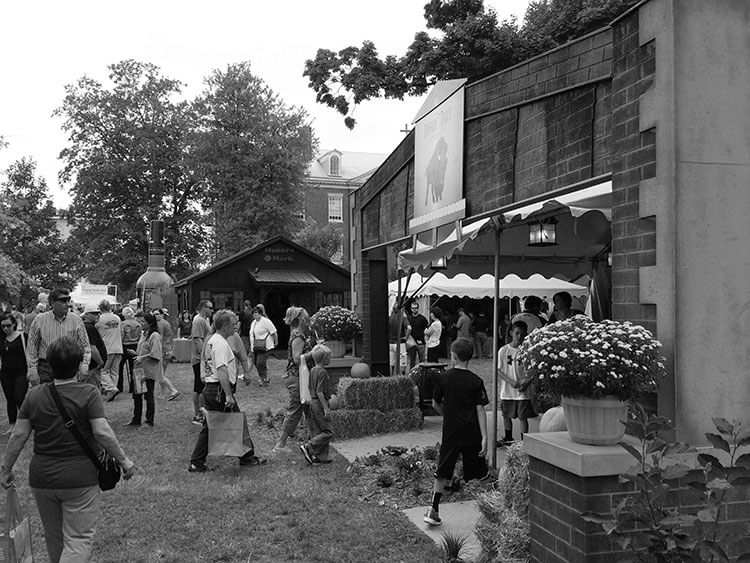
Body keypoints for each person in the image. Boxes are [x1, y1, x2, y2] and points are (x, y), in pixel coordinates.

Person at [0, 336, 136, 562]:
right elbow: (101, 432)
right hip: (80, 478)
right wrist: (124, 461)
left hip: (43, 477)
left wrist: (6, 468)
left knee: (55, 540)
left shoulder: (34, 395)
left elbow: (19, 434)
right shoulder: (88, 393)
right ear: (80, 363)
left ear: (50, 364)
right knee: (79, 539)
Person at [189, 309, 265, 472]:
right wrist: (228, 395)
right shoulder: (221, 344)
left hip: (211, 389)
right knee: (234, 422)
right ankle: (246, 458)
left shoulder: (212, 340)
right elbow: (222, 370)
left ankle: (197, 462)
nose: (235, 327)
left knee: (212, 426)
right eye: (232, 324)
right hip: (219, 390)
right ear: (224, 325)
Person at [424, 337, 489, 527]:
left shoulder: (444, 377)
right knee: (479, 473)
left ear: (453, 356)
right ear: (470, 357)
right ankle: (492, 510)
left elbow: (436, 403)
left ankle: (433, 509)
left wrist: (447, 415)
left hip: (451, 433)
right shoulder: (476, 381)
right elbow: (480, 409)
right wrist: (485, 437)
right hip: (472, 434)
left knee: (442, 471)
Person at [26, 288, 91, 385]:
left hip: (70, 366)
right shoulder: (40, 320)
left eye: (68, 300)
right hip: (46, 367)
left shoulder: (76, 320)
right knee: (47, 398)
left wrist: (84, 365)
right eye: (63, 301)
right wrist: (32, 370)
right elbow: (32, 346)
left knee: (67, 397)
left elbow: (85, 345)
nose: (67, 304)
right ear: (52, 303)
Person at [272, 306, 311, 453]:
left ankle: (311, 438)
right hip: (297, 377)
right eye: (306, 317)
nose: (308, 319)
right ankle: (280, 444)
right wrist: (314, 352)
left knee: (308, 408)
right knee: (295, 410)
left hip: (295, 376)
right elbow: (296, 359)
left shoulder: (296, 334)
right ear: (300, 319)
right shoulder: (298, 336)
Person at [497, 321, 536, 446]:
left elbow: (532, 370)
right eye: (517, 333)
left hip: (522, 391)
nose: (519, 337)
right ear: (511, 333)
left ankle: (524, 441)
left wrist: (526, 382)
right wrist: (511, 381)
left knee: (522, 416)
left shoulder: (528, 351)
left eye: (522, 334)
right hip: (507, 390)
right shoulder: (503, 351)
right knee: (506, 414)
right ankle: (508, 437)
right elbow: (498, 370)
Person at [299, 344, 333, 465]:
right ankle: (309, 446)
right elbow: (319, 392)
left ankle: (320, 457)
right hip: (319, 403)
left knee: (318, 431)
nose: (330, 359)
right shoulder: (322, 372)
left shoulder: (312, 370)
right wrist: (326, 408)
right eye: (329, 357)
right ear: (324, 359)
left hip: (312, 403)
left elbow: (309, 387)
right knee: (328, 431)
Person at [127, 312, 161, 427]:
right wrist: (136, 354)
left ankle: (149, 421)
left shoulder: (154, 335)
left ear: (150, 323)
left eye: (143, 322)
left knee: (148, 396)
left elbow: (155, 353)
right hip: (139, 370)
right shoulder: (144, 334)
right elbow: (144, 351)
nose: (140, 324)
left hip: (148, 371)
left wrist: (142, 357)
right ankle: (136, 419)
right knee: (137, 396)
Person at [0, 312, 28, 434]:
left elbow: (29, 353)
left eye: (8, 325)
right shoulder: (2, 339)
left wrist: (31, 370)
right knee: (10, 399)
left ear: (14, 324)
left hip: (21, 372)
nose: (6, 328)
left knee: (19, 397)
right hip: (6, 373)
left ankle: (25, 422)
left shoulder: (23, 336)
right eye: (3, 326)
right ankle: (12, 424)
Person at [190, 300, 213, 425]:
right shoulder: (199, 320)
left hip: (201, 359)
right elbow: (197, 340)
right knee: (200, 388)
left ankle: (200, 413)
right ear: (203, 308)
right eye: (210, 307)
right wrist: (205, 357)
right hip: (200, 360)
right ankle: (198, 415)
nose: (212, 310)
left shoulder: (204, 320)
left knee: (200, 387)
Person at [97, 300, 123, 399]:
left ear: (100, 308)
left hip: (107, 348)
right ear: (110, 307)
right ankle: (112, 390)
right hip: (118, 347)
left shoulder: (99, 319)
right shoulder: (117, 318)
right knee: (114, 372)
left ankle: (111, 388)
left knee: (102, 370)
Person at [81, 303, 108, 395]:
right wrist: (100, 362)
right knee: (93, 393)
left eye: (99, 313)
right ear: (87, 315)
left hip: (91, 367)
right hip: (92, 367)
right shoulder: (89, 328)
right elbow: (92, 348)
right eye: (95, 313)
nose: (98, 316)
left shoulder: (88, 327)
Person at [153, 308, 180, 401]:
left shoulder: (160, 324)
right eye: (154, 314)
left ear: (161, 314)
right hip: (167, 349)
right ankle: (162, 393)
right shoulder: (166, 323)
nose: (155, 316)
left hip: (163, 350)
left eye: (157, 314)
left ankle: (173, 390)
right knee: (161, 373)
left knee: (159, 374)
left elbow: (159, 338)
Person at [249, 305, 278, 386]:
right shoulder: (253, 323)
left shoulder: (266, 321)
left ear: (260, 313)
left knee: (260, 362)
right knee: (256, 362)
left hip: (266, 346)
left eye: (256, 313)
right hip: (255, 346)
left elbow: (274, 332)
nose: (255, 315)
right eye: (253, 313)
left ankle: (264, 380)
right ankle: (263, 378)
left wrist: (276, 342)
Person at [118, 307, 141, 392]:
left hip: (125, 346)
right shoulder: (138, 324)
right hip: (135, 345)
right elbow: (140, 336)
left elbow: (122, 335)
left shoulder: (123, 324)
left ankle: (119, 387)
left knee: (120, 367)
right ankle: (133, 387)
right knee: (133, 367)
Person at [388, 304, 411, 376]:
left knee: (391, 361)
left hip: (391, 342)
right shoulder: (402, 318)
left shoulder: (389, 318)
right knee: (403, 359)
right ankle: (403, 375)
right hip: (400, 342)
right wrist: (406, 337)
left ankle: (391, 375)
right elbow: (409, 328)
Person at [406, 300, 428, 369]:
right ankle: (411, 374)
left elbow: (427, 328)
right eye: (413, 308)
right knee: (412, 361)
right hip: (411, 343)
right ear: (411, 309)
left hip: (421, 342)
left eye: (415, 308)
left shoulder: (423, 318)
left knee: (422, 360)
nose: (414, 309)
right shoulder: (408, 318)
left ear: (418, 308)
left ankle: (423, 373)